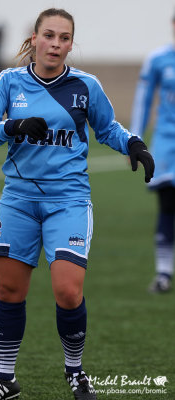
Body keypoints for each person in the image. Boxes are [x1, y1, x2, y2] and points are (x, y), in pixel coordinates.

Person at [0, 8, 154, 400]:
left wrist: (134, 144)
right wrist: (12, 126)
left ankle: (75, 371)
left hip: (68, 200)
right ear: (34, 38)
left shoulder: (85, 86)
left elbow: (107, 128)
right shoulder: (9, 81)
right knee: (9, 289)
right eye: (49, 36)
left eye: (64, 38)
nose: (56, 44)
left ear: (71, 44)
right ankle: (5, 379)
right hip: (18, 200)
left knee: (68, 292)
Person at [130, 14, 175, 293]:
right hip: (167, 142)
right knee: (168, 204)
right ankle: (164, 273)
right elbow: (142, 100)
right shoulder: (158, 59)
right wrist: (134, 138)